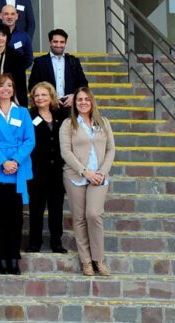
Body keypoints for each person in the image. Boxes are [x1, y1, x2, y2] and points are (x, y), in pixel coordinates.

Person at [0, 73, 35, 275]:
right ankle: (1, 257)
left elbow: (30, 140)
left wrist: (16, 161)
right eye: (2, 86)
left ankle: (14, 256)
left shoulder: (23, 112)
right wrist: (3, 162)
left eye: (10, 86)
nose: (6, 89)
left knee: (16, 217)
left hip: (17, 169)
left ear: (14, 90)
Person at [59, 87, 115, 277]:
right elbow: (66, 152)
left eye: (86, 99)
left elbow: (111, 150)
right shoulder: (68, 124)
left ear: (92, 102)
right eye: (79, 100)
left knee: (93, 215)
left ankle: (98, 259)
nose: (83, 102)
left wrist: (101, 172)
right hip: (76, 176)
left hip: (99, 177)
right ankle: (86, 261)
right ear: (74, 104)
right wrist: (85, 172)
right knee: (80, 218)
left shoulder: (103, 122)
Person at [27, 82, 68, 254]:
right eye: (36, 95)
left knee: (56, 208)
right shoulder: (29, 116)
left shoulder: (61, 115)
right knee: (36, 208)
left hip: (58, 170)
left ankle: (56, 241)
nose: (40, 98)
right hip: (37, 169)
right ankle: (34, 242)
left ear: (51, 96)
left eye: (43, 95)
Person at [28, 28, 89, 115]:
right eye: (55, 41)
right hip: (48, 107)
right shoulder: (40, 62)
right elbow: (33, 86)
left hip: (70, 107)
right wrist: (49, 98)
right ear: (50, 42)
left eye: (62, 42)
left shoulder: (73, 61)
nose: (58, 45)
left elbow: (83, 84)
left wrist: (74, 96)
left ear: (65, 43)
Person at [0, 7, 33, 107]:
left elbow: (21, 84)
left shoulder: (17, 56)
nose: (0, 38)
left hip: (10, 94)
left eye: (3, 36)